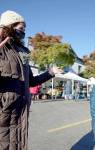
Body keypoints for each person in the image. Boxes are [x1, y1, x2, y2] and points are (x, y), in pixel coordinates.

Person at [0, 10, 62, 150]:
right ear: (8, 26)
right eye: (21, 28)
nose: (23, 32)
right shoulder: (1, 47)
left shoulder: (24, 52)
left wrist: (51, 72)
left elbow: (31, 81)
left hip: (20, 112)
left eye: (24, 29)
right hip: (3, 112)